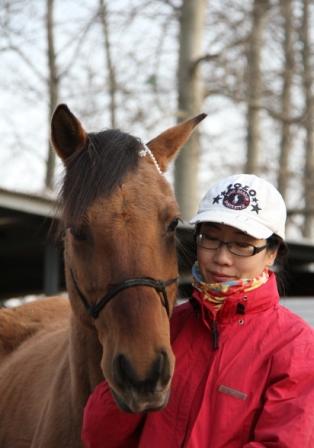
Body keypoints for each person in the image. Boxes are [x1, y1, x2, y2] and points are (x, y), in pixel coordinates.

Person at [82, 174, 314, 447]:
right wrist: (128, 383)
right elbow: (101, 436)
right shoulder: (168, 328)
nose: (221, 258)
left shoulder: (297, 346)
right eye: (211, 239)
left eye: (241, 245)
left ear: (272, 253)